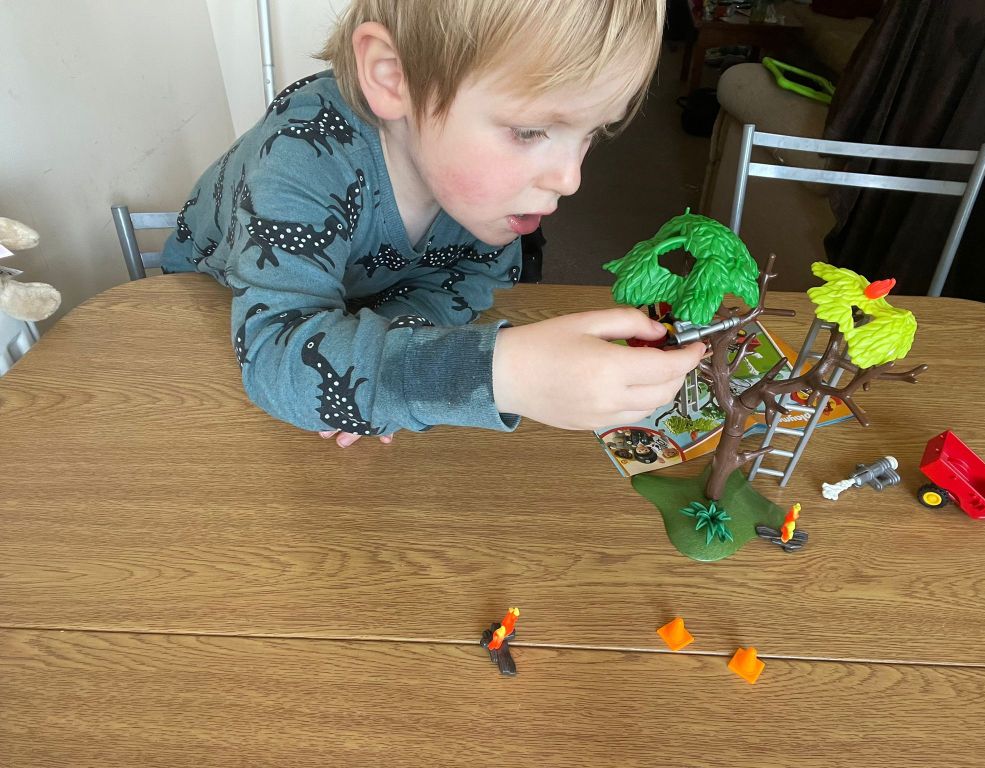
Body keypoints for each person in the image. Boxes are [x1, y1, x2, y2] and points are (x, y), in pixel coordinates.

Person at [162, 0, 705, 448]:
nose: (570, 179)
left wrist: (381, 359)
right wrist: (499, 373)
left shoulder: (485, 198)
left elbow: (467, 281)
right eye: (528, 130)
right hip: (200, 317)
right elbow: (276, 356)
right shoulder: (300, 152)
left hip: (353, 296)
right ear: (393, 77)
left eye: (593, 133)